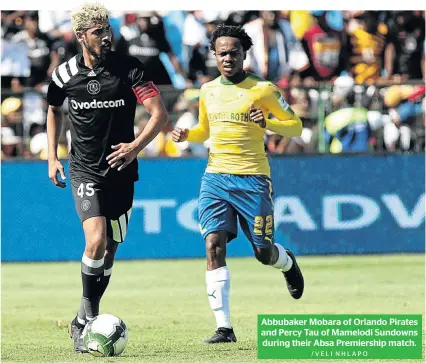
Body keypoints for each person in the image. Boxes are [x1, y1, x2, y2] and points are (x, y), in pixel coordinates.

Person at [45, 2, 168, 353]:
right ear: (81, 36)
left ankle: (82, 318)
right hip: (84, 169)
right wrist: (52, 156)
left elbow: (158, 114)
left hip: (122, 171)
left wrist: (134, 147)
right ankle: (87, 322)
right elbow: (53, 109)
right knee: (95, 240)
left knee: (109, 253)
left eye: (108, 29)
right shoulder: (64, 74)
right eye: (99, 32)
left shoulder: (130, 69)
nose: (107, 37)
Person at [172, 24, 304, 344]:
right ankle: (224, 328)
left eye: (233, 52)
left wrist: (268, 123)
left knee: (262, 252)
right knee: (212, 245)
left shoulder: (264, 89)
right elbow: (205, 130)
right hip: (215, 176)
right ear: (214, 56)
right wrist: (188, 135)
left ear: (244, 54)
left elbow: (296, 127)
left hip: (253, 179)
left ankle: (286, 262)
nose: (227, 58)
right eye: (221, 53)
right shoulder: (207, 90)